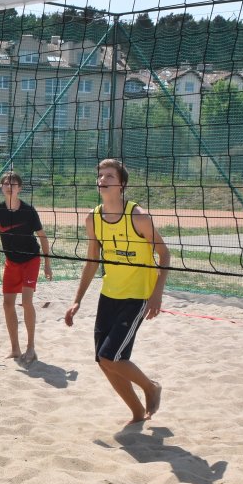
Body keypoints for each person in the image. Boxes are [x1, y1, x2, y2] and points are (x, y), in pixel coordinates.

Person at [64, 158, 170, 425]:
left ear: (121, 184)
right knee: (103, 360)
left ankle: (150, 387)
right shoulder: (93, 218)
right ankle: (136, 412)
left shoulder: (139, 217)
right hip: (109, 294)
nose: (102, 180)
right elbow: (92, 262)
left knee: (111, 356)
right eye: (100, 175)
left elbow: (164, 253)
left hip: (136, 296)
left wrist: (157, 293)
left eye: (109, 176)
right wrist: (77, 300)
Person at [0, 171, 52, 364]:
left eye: (13, 183)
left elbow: (43, 237)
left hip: (31, 259)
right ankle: (15, 349)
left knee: (26, 302)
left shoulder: (28, 210)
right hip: (11, 261)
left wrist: (47, 265)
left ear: (20, 188)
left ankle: (31, 347)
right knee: (7, 304)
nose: (9, 186)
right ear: (1, 188)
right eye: (6, 184)